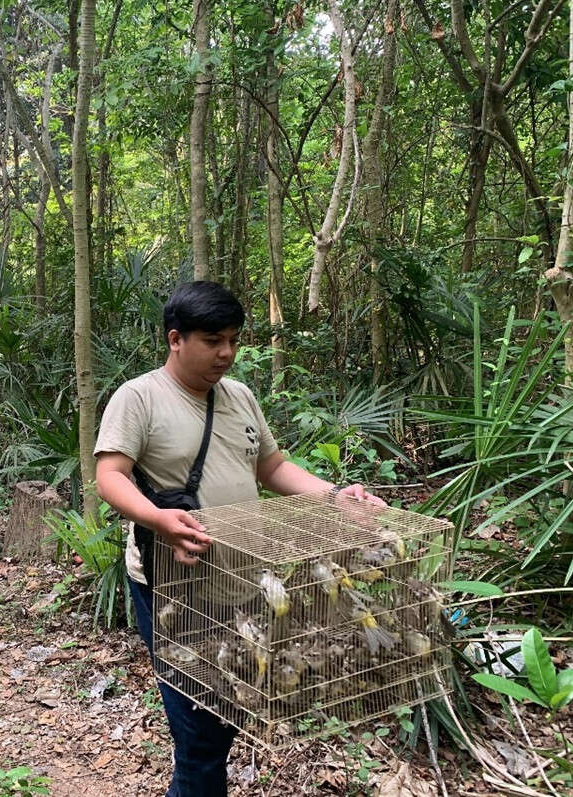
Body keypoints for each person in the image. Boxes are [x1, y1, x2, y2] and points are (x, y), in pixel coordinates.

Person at [94, 281, 383, 797]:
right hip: (173, 585)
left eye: (233, 340)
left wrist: (335, 494)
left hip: (243, 580)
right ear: (176, 339)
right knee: (199, 730)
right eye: (212, 340)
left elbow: (271, 466)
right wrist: (159, 519)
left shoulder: (241, 396)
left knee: (226, 711)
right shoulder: (138, 397)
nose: (226, 353)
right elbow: (109, 476)